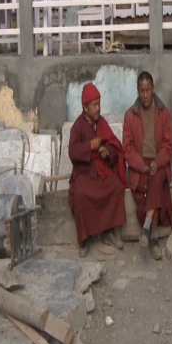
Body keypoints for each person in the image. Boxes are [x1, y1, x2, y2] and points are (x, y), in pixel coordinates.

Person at [68, 82, 127, 258]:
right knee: (79, 196)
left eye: (99, 104)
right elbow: (72, 152)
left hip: (100, 170)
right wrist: (91, 145)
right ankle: (85, 239)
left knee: (116, 187)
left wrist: (106, 152)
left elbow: (115, 144)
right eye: (94, 105)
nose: (98, 108)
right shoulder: (77, 127)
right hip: (84, 173)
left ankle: (108, 233)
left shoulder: (101, 123)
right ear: (85, 108)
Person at [123, 71, 172, 260]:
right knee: (152, 187)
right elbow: (127, 149)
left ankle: (146, 228)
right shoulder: (130, 115)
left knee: (157, 178)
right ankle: (153, 237)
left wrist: (157, 162)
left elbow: (168, 147)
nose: (145, 95)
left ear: (153, 89)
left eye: (148, 90)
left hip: (159, 163)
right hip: (140, 166)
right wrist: (142, 165)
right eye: (141, 91)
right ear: (137, 91)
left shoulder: (164, 112)